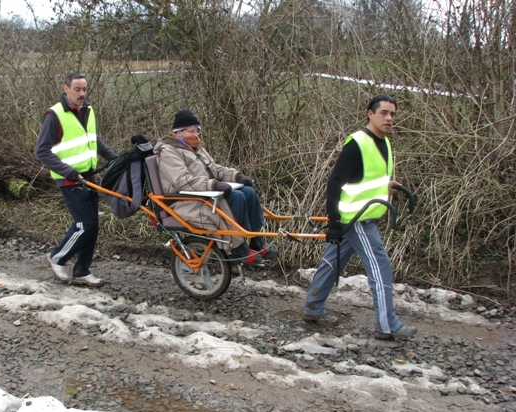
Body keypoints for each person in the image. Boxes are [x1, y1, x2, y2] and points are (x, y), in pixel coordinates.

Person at [303, 94, 417, 340]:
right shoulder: (357, 144)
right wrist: (333, 221)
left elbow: (365, 179)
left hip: (361, 215)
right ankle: (387, 326)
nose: (389, 118)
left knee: (332, 263)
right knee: (380, 266)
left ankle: (313, 307)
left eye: (393, 114)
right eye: (384, 113)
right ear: (370, 113)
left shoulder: (383, 142)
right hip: (357, 218)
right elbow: (334, 183)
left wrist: (387, 186)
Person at [153, 109, 278, 265]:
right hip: (185, 199)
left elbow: (214, 168)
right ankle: (237, 247)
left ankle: (256, 240)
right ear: (178, 132)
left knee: (248, 192)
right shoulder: (168, 152)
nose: (196, 134)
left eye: (197, 130)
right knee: (236, 197)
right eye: (191, 131)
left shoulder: (195, 148)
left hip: (204, 193)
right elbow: (182, 180)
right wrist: (213, 184)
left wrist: (236, 176)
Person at [35, 73, 119, 286]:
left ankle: (82, 269)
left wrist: (116, 159)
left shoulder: (88, 110)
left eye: (84, 89)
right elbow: (42, 151)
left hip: (89, 176)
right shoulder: (54, 115)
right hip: (70, 179)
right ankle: (57, 257)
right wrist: (68, 172)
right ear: (66, 89)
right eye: (77, 89)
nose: (82, 93)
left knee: (93, 226)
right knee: (84, 224)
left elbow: (94, 140)